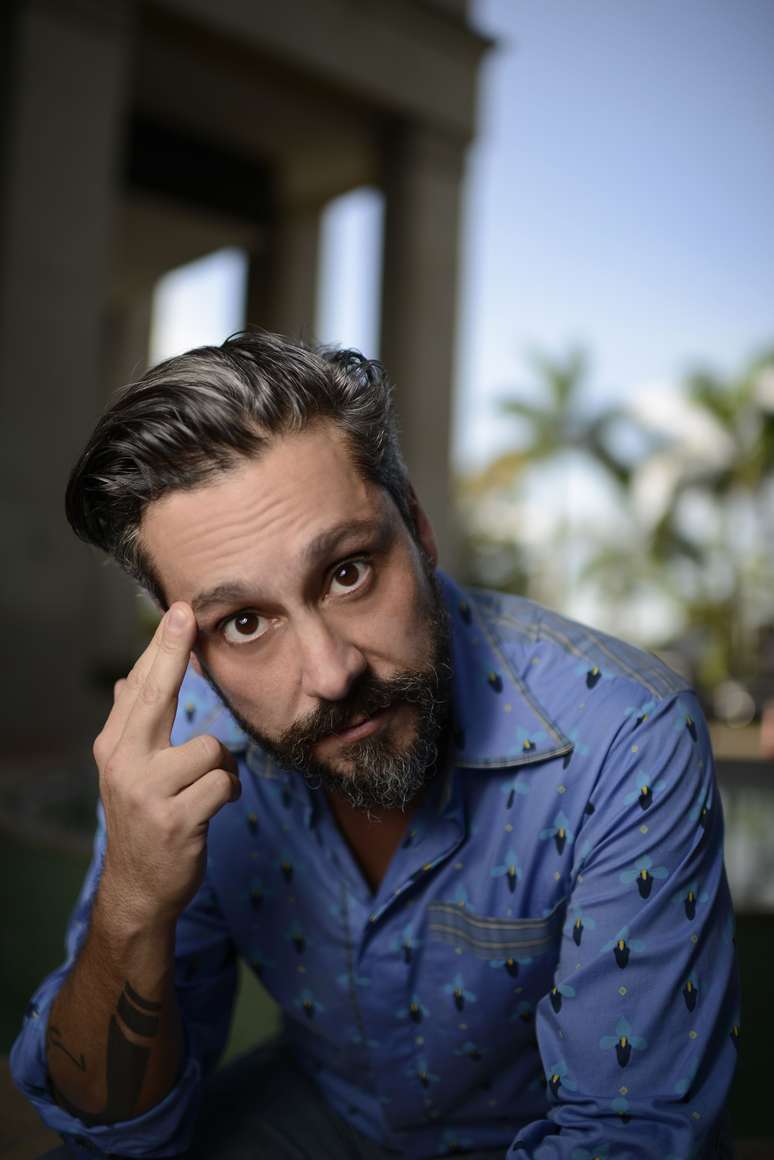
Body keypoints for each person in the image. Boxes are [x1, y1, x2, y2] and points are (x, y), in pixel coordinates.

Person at [12, 331, 738, 1159]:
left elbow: (625, 1139)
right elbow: (114, 1127)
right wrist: (131, 902)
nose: (330, 674)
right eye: (243, 623)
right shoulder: (184, 747)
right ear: (194, 652)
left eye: (348, 571)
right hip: (323, 1117)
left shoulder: (624, 733)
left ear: (418, 529)